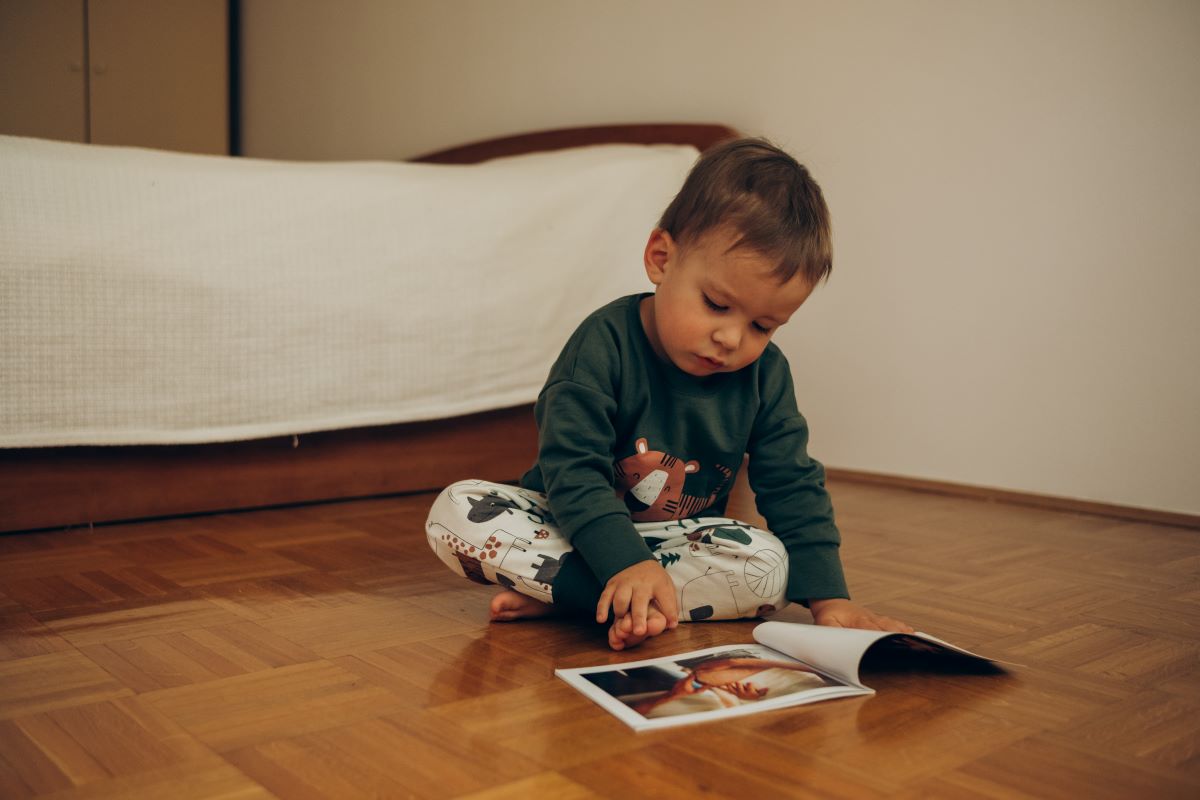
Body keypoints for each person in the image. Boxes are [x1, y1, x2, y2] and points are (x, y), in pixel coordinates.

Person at [425, 137, 913, 650]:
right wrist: (625, 562)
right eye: (716, 304)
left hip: (675, 545)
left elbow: (793, 485)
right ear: (661, 259)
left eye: (763, 326)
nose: (731, 339)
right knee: (456, 509)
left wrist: (831, 600)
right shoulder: (602, 345)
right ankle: (601, 589)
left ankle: (576, 595)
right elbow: (574, 474)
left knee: (770, 569)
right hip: (571, 524)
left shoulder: (766, 375)